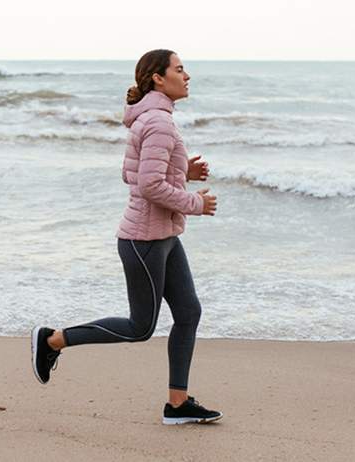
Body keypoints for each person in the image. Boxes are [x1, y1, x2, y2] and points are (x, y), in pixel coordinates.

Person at [31, 49, 222, 425]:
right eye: (180, 69)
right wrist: (195, 202)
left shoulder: (153, 120)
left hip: (163, 236)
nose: (187, 76)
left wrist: (183, 172)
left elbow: (133, 175)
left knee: (188, 313)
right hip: (144, 240)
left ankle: (178, 405)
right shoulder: (159, 123)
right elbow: (149, 185)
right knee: (140, 327)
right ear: (158, 78)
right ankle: (52, 340)